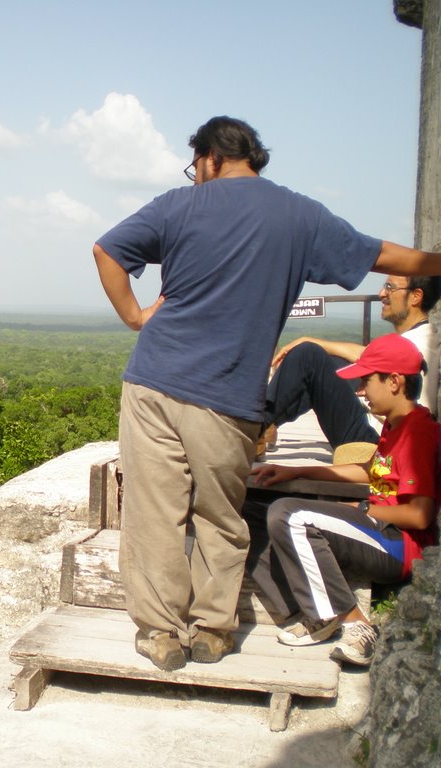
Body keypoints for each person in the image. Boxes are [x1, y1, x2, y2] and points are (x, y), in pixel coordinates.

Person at [93, 114, 441, 671]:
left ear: (208, 158)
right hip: (227, 393)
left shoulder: (176, 206)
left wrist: (136, 316)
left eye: (195, 168)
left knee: (155, 514)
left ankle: (160, 634)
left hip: (154, 381)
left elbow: (106, 250)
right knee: (219, 513)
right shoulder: (298, 214)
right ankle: (211, 631)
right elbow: (385, 258)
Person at [249, 334, 440, 665]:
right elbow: (369, 470)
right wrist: (295, 472)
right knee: (249, 509)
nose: (361, 390)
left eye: (367, 380)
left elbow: (420, 516)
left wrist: (363, 508)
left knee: (290, 515)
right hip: (376, 527)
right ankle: (301, 607)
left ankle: (354, 623)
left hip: (399, 545)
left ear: (394, 382)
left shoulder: (418, 432)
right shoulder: (395, 426)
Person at [260, 274, 439, 455]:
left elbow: (413, 414)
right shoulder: (418, 337)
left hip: (377, 442)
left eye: (390, 287)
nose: (382, 293)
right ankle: (268, 425)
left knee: (308, 356)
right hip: (376, 430)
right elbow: (364, 354)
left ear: (416, 296)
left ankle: (254, 425)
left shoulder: (417, 348)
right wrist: (312, 340)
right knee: (332, 363)